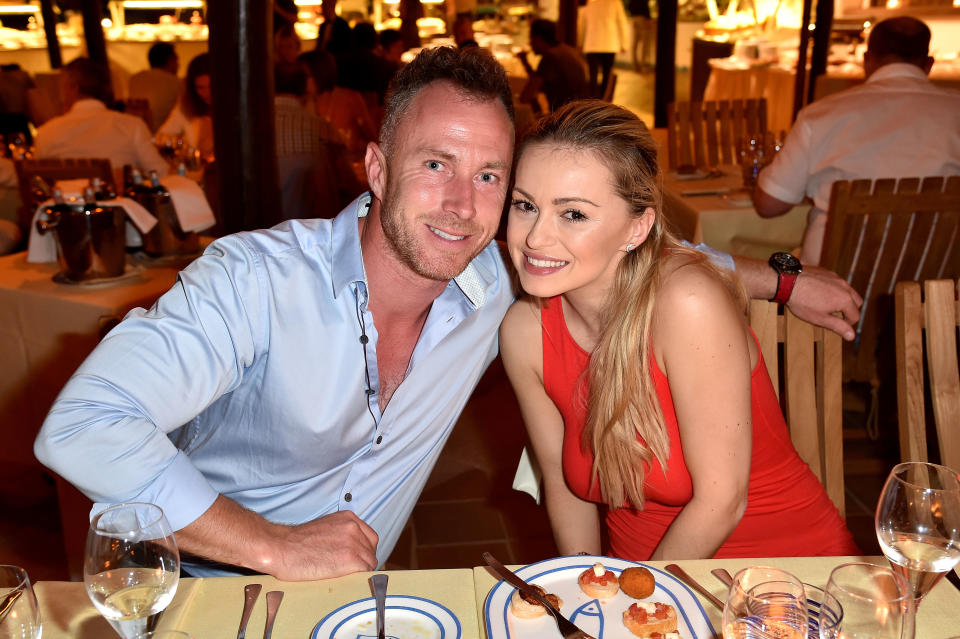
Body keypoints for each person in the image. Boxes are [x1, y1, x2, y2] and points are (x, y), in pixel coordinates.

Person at [35, 48, 862, 581]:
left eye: (493, 177)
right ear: (376, 168)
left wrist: (779, 280)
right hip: (207, 585)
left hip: (355, 605)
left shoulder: (501, 280)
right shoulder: (255, 280)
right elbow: (79, 426)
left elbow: (625, 247)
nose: (464, 205)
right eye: (436, 163)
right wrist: (272, 546)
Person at [499, 100, 860, 561]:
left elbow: (722, 502)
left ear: (638, 226)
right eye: (525, 205)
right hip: (643, 574)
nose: (534, 238)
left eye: (573, 214)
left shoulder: (687, 304)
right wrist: (580, 594)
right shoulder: (523, 332)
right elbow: (559, 482)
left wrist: (641, 603)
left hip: (778, 569)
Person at [753, 16, 960, 265]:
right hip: (937, 288)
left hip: (832, 290)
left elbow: (769, 205)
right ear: (928, 64)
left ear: (867, 61)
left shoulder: (821, 115)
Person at [35, 57, 167, 176]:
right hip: (118, 202)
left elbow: (37, 180)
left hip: (64, 201)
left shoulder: (46, 132)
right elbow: (160, 172)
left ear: (72, 87)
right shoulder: (132, 126)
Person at [274, 63, 363, 219]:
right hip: (307, 228)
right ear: (304, 89)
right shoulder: (321, 129)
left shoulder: (254, 129)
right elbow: (350, 187)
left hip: (254, 231)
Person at [517, 19, 590, 113]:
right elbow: (539, 85)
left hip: (567, 117)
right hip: (581, 112)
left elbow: (527, 95)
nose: (530, 43)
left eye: (531, 39)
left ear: (539, 39)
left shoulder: (550, 56)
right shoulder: (568, 50)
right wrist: (525, 63)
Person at [158, 53, 214, 159]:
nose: (207, 93)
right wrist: (184, 148)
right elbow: (162, 138)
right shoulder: (186, 107)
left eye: (211, 86)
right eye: (200, 88)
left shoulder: (239, 107)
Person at [578, 0, 630, 98]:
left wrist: (580, 42)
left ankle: (592, 100)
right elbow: (622, 22)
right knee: (607, 75)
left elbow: (582, 24)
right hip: (609, 43)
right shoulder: (615, 2)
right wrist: (624, 43)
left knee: (592, 75)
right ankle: (604, 99)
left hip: (592, 43)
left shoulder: (590, 3)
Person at [128, 42, 181, 132]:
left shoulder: (135, 79)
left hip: (134, 131)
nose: (178, 65)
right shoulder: (176, 83)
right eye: (177, 61)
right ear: (170, 61)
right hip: (161, 137)